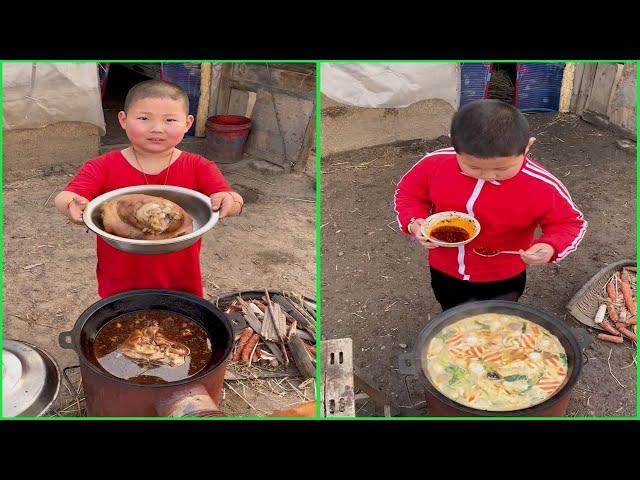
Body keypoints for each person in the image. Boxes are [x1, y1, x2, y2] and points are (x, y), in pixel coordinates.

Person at [54, 79, 244, 298]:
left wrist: (230, 200)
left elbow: (232, 199)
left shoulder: (199, 166)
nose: (157, 129)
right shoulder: (102, 166)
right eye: (144, 118)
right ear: (123, 120)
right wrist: (71, 203)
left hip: (180, 277)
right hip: (120, 278)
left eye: (170, 120)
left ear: (188, 123)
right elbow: (66, 196)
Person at [394, 99, 587, 310]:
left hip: (503, 275)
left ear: (528, 146)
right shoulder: (434, 164)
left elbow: (570, 223)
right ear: (454, 145)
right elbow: (408, 195)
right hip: (444, 268)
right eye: (473, 167)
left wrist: (551, 247)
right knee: (451, 309)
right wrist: (414, 223)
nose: (487, 175)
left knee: (496, 318)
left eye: (502, 169)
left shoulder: (541, 185)